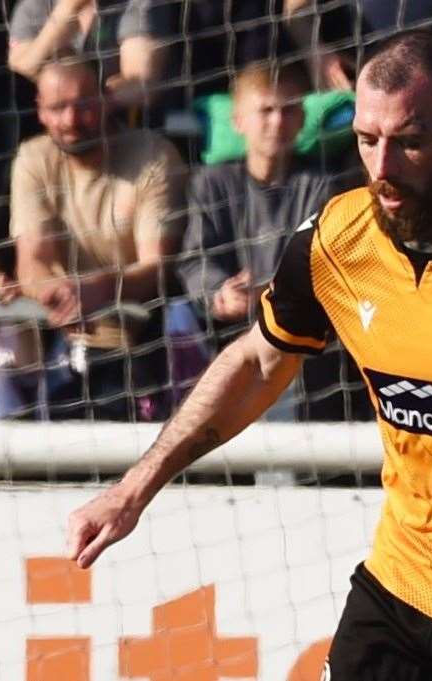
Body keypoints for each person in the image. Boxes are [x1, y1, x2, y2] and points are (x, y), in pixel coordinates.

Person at [66, 31, 432, 680]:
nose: (382, 168)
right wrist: (133, 489)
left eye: (410, 141)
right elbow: (259, 362)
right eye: (366, 139)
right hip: (404, 581)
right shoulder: (335, 236)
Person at [176, 60, 371, 421]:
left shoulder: (321, 184)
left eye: (289, 110)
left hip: (302, 337)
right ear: (238, 121)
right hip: (226, 330)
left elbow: (323, 264)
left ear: (301, 119)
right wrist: (219, 292)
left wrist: (266, 292)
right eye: (265, 110)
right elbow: (195, 258)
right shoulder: (212, 183)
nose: (278, 122)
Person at [11, 59, 187, 420]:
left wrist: (101, 289)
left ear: (107, 99)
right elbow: (33, 259)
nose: (71, 120)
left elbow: (158, 268)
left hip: (145, 337)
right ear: (40, 111)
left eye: (83, 104)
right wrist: (54, 293)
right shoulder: (33, 158)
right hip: (62, 339)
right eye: (58, 107)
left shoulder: (153, 156)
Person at [7, 0, 169, 105]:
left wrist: (83, 104)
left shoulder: (140, 3)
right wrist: (67, 10)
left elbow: (141, 87)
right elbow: (20, 69)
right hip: (48, 129)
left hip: (125, 130)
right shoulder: (35, 5)